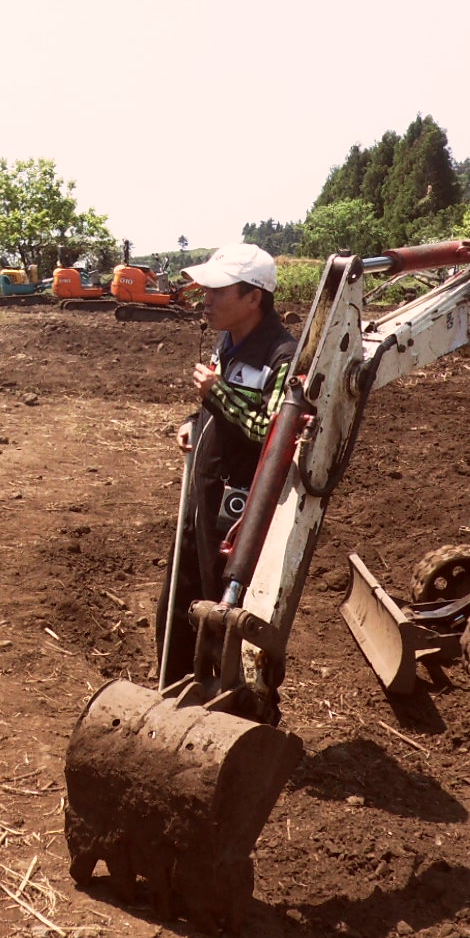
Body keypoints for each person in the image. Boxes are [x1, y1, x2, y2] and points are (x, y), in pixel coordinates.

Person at [159, 243, 298, 683]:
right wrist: (192, 419)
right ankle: (173, 687)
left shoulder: (283, 357)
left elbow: (272, 436)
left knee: (220, 605)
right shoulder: (227, 340)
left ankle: (223, 694)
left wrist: (215, 395)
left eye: (219, 291)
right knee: (177, 601)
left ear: (254, 297)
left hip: (236, 511)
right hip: (201, 495)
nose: (207, 299)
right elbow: (221, 408)